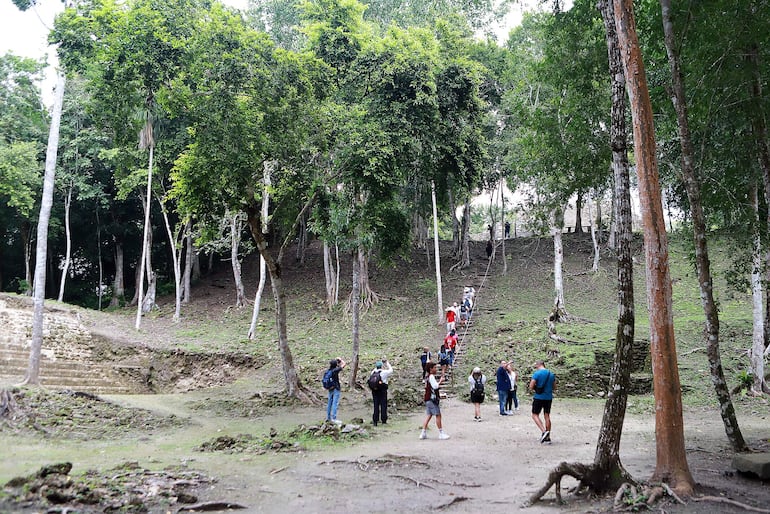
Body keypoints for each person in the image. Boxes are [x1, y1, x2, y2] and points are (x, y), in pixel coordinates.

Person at [529, 360, 556, 444]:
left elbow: (531, 386)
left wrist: (536, 388)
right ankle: (548, 436)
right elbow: (554, 387)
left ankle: (544, 431)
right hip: (548, 397)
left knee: (534, 415)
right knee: (547, 415)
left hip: (539, 397)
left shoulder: (537, 374)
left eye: (536, 366)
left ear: (538, 365)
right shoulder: (551, 374)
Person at [420, 361, 449, 440]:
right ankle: (441, 433)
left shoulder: (427, 377)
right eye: (435, 367)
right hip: (431, 399)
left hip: (428, 398)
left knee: (429, 415)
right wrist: (440, 381)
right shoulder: (431, 376)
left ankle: (423, 433)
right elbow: (435, 386)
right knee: (438, 415)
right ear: (431, 369)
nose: (436, 369)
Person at [369, 359, 394, 426]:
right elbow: (391, 370)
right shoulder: (384, 373)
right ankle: (383, 420)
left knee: (376, 405)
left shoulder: (373, 372)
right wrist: (387, 363)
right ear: (382, 366)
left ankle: (375, 420)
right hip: (382, 390)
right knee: (383, 405)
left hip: (374, 391)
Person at [325, 357, 346, 424]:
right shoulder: (335, 370)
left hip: (330, 388)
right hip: (336, 388)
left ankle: (328, 417)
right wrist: (340, 359)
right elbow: (344, 364)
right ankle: (334, 418)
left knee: (329, 403)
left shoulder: (329, 371)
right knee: (335, 403)